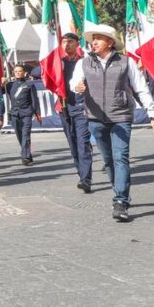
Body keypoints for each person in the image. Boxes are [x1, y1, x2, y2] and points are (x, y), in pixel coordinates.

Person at [70, 23, 154, 222]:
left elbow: (141, 88)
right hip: (95, 118)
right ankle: (118, 189)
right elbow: (74, 83)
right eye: (93, 38)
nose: (94, 42)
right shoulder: (83, 63)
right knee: (109, 160)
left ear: (110, 42)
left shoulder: (126, 62)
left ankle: (121, 201)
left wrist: (153, 114)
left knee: (121, 158)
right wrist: (77, 86)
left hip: (121, 117)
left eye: (99, 38)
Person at [61, 32, 94, 193]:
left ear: (77, 43)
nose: (67, 45)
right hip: (64, 107)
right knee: (73, 145)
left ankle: (85, 179)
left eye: (70, 42)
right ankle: (81, 172)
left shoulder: (85, 62)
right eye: (64, 42)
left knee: (82, 143)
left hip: (81, 107)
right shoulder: (58, 63)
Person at [5, 64, 41, 165]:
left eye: (20, 71)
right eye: (16, 71)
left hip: (26, 113)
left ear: (24, 72)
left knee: (26, 135)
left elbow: (34, 100)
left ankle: (24, 157)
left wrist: (37, 112)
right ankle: (28, 153)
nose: (17, 73)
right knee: (19, 135)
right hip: (15, 113)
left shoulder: (29, 84)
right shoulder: (9, 85)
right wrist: (1, 81)